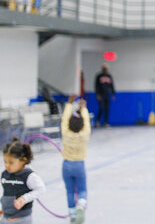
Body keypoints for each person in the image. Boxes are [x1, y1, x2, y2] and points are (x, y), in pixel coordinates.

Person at [1, 138, 46, 224]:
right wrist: (3, 209)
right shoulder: (5, 174)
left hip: (22, 219)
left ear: (23, 161)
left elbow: (41, 189)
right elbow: (7, 195)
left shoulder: (29, 176)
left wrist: (24, 199)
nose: (7, 165)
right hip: (6, 218)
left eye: (11, 162)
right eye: (5, 161)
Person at [61, 95, 90, 224]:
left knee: (69, 191)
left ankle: (72, 215)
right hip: (79, 164)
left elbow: (64, 120)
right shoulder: (84, 135)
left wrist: (69, 104)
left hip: (66, 165)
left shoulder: (66, 134)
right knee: (82, 189)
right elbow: (87, 122)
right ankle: (81, 206)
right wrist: (83, 109)